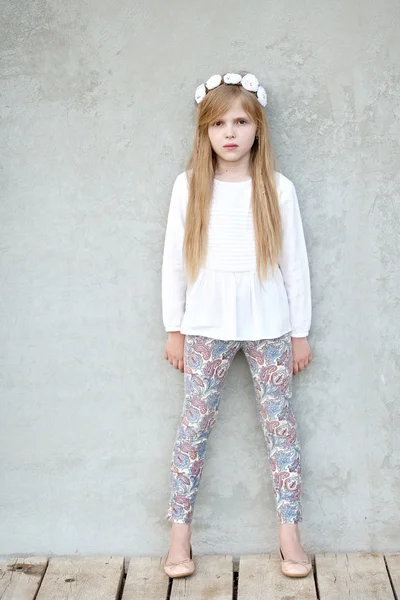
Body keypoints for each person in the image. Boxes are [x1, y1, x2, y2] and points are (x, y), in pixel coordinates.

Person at [161, 71, 313, 579]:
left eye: (241, 121)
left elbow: (295, 265)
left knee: (280, 426)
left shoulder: (278, 188)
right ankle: (179, 535)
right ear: (205, 130)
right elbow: (174, 262)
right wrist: (174, 326)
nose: (230, 132)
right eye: (220, 122)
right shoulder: (189, 187)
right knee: (194, 425)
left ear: (257, 128)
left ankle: (290, 531)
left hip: (270, 325)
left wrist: (299, 332)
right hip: (204, 325)